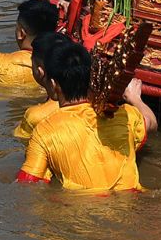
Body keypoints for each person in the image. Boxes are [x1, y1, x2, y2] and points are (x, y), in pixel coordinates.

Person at [15, 34, 146, 192]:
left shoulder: (44, 131)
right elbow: (149, 125)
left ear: (53, 84)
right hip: (133, 203)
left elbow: (27, 185)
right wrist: (135, 99)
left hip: (82, 209)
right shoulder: (128, 115)